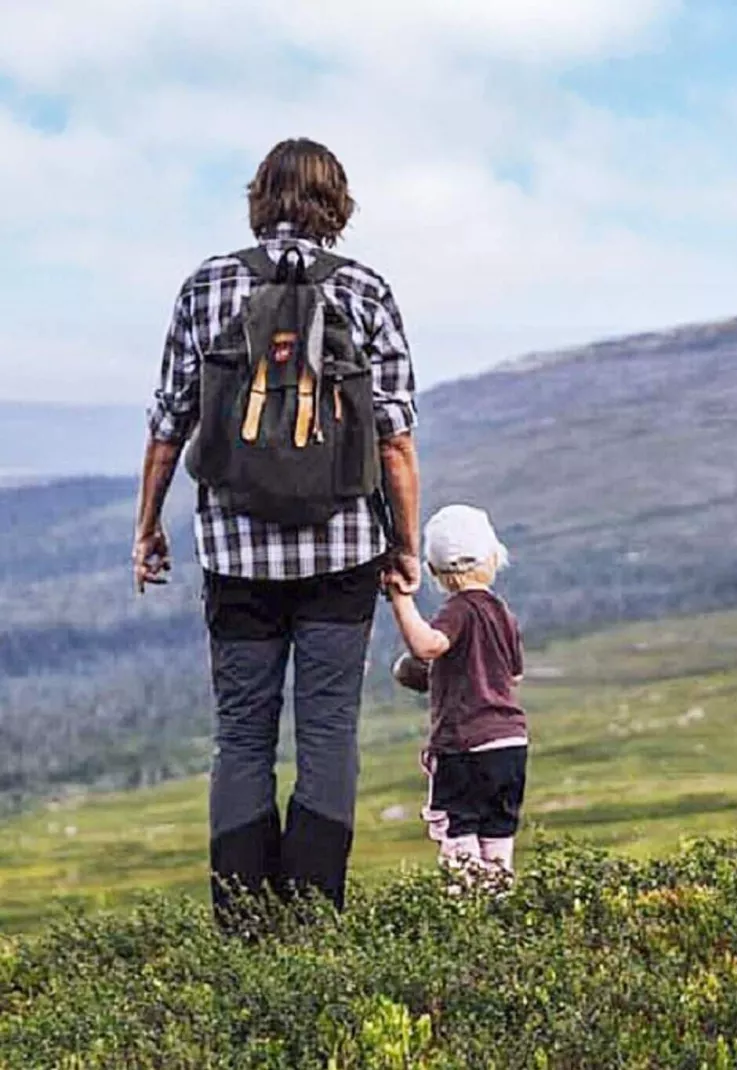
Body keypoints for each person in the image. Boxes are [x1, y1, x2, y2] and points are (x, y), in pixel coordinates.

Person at [132, 138, 422, 925]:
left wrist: (148, 528)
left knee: (242, 736)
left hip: (235, 553)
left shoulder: (207, 285)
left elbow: (169, 421)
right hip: (342, 553)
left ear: (259, 197)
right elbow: (394, 436)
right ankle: (313, 922)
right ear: (338, 203)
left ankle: (241, 925)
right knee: (328, 730)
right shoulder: (365, 290)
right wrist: (404, 543)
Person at [386, 504, 528, 875]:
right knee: (498, 839)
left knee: (459, 838)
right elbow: (512, 677)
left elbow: (428, 646)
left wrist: (400, 601)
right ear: (494, 557)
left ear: (433, 570)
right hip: (510, 746)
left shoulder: (459, 610)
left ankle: (465, 919)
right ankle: (498, 912)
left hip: (464, 746)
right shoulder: (504, 614)